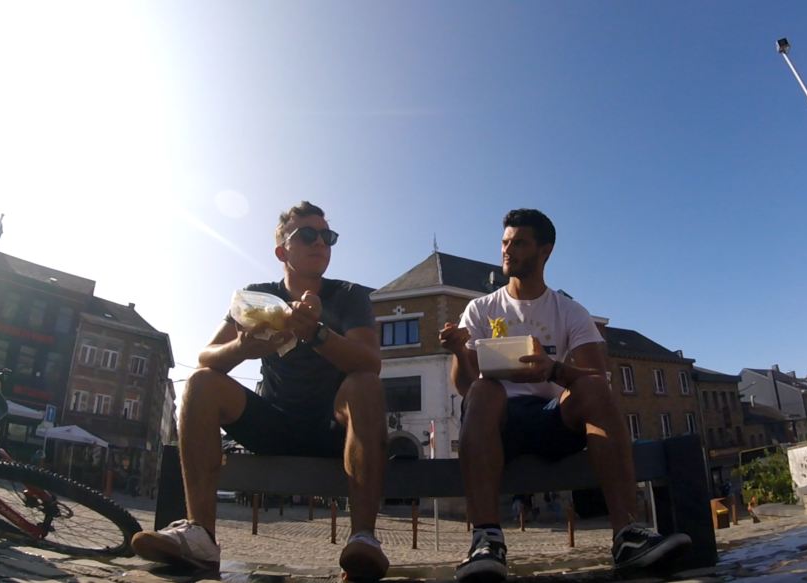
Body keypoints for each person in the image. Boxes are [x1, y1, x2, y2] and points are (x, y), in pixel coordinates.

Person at [131, 202, 390, 580]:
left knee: (364, 382)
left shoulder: (349, 296)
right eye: (308, 234)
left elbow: (370, 361)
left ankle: (364, 539)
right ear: (282, 251)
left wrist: (317, 333)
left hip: (334, 429)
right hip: (273, 425)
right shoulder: (256, 296)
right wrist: (242, 349)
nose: (320, 242)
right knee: (202, 382)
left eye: (327, 236)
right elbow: (206, 355)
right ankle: (201, 537)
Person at [439, 209, 692, 582]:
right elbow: (464, 386)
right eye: (505, 243)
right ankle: (486, 538)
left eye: (519, 243)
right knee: (483, 388)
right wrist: (460, 351)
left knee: (591, 386)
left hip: (553, 418)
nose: (508, 251)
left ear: (545, 252)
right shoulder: (480, 309)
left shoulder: (570, 310)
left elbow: (596, 378)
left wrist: (554, 370)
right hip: (500, 423)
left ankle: (627, 534)